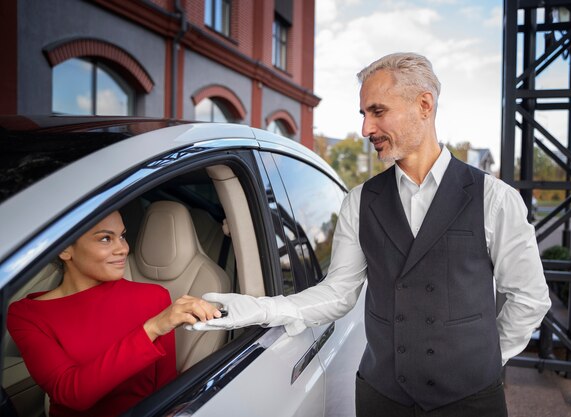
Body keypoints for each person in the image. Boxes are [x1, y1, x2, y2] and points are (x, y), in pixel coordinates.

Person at [192, 53, 551, 417]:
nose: (366, 129)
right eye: (363, 114)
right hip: (382, 400)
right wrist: (260, 308)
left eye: (378, 112)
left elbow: (529, 298)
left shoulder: (494, 198)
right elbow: (338, 293)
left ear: (424, 105)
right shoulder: (360, 202)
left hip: (472, 402)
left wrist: (484, 362)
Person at [7, 210, 221, 417]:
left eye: (122, 236)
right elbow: (71, 394)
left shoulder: (154, 297)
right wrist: (152, 328)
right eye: (105, 239)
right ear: (64, 250)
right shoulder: (26, 315)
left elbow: (164, 390)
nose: (123, 248)